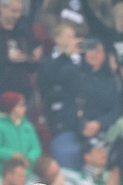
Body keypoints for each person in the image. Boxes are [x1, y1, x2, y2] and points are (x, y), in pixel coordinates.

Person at [40, 22, 83, 171]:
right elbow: (49, 80)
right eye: (69, 36)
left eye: (74, 36)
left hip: (82, 120)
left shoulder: (80, 60)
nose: (73, 40)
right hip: (61, 118)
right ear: (57, 39)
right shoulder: (49, 61)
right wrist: (66, 56)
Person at [0, 0, 41, 96]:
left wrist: (33, 59)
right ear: (2, 8)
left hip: (22, 90)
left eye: (20, 11)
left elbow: (31, 68)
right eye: (14, 11)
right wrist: (6, 58)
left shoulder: (23, 32)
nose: (17, 15)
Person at [0, 91, 41, 179]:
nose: (24, 108)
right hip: (5, 173)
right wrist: (12, 155)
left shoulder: (28, 126)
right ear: (11, 107)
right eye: (20, 105)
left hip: (28, 173)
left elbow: (36, 148)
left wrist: (29, 159)